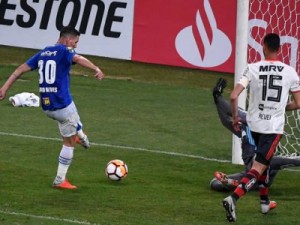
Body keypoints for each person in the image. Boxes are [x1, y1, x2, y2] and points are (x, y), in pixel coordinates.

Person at [0, 26, 105, 190]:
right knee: (68, 141)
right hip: (63, 105)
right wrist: (96, 68)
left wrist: (4, 88)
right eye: (75, 42)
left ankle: (81, 136)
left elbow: (19, 70)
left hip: (48, 106)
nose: (76, 45)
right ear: (68, 40)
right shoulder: (65, 51)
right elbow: (78, 58)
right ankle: (60, 179)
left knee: (73, 119)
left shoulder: (43, 53)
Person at [221, 33, 300, 222]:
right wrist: (281, 108)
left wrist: (235, 118)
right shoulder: (290, 72)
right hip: (272, 128)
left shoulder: (252, 68)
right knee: (258, 167)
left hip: (254, 125)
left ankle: (265, 204)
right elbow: (298, 103)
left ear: (263, 47)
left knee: (265, 163)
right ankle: (233, 198)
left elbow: (233, 96)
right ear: (280, 49)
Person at [210, 78, 300, 193]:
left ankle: (243, 184)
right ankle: (243, 184)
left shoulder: (255, 119)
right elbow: (226, 120)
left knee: (273, 161)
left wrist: (218, 97)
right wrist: (217, 97)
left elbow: (230, 111)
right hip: (251, 169)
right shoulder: (245, 123)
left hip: (262, 163)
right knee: (215, 183)